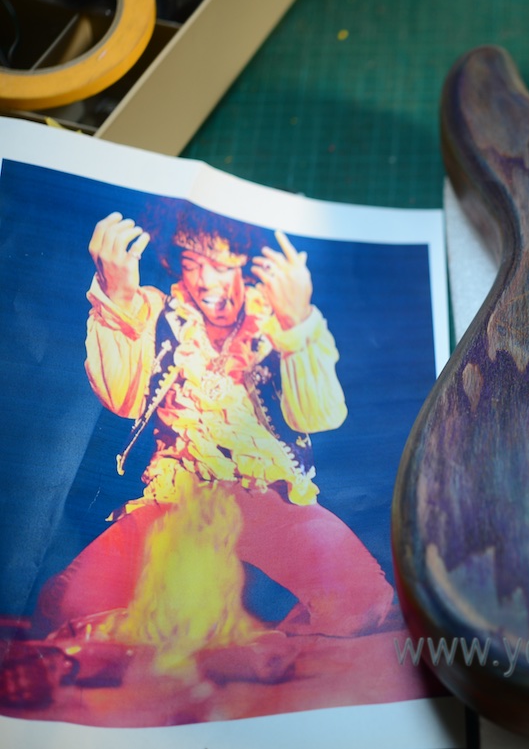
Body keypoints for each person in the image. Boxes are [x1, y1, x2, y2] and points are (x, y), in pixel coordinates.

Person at [36, 209, 397, 639]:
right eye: (192, 263)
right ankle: (198, 636)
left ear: (247, 265)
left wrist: (298, 324)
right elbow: (122, 400)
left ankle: (243, 641)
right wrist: (117, 295)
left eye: (222, 266)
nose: (206, 281)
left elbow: (319, 416)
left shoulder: (278, 319)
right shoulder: (154, 312)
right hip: (177, 501)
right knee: (66, 606)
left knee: (363, 602)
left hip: (271, 502)